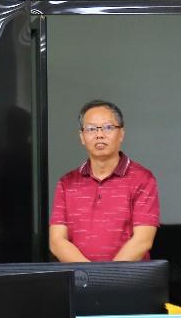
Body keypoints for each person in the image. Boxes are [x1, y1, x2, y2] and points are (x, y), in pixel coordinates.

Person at [49, 99, 160, 262]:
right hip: (80, 277)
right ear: (82, 137)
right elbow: (57, 242)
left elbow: (142, 241)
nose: (99, 135)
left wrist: (108, 275)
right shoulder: (67, 183)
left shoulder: (143, 179)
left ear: (121, 134)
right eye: (91, 129)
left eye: (108, 127)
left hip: (128, 277)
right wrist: (90, 274)